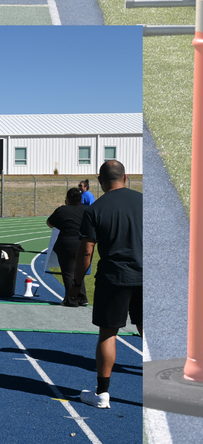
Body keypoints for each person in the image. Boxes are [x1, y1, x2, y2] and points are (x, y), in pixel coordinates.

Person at [66, 161, 142, 408]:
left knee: (108, 333)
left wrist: (76, 285)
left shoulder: (96, 208)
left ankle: (102, 393)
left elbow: (86, 253)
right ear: (126, 177)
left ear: (99, 180)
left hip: (114, 278)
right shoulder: (146, 203)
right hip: (147, 277)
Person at [47, 187, 88, 307]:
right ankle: (82, 297)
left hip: (66, 244)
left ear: (68, 199)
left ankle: (71, 299)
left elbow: (50, 223)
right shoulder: (87, 210)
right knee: (79, 271)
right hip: (83, 244)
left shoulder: (62, 210)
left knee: (68, 272)